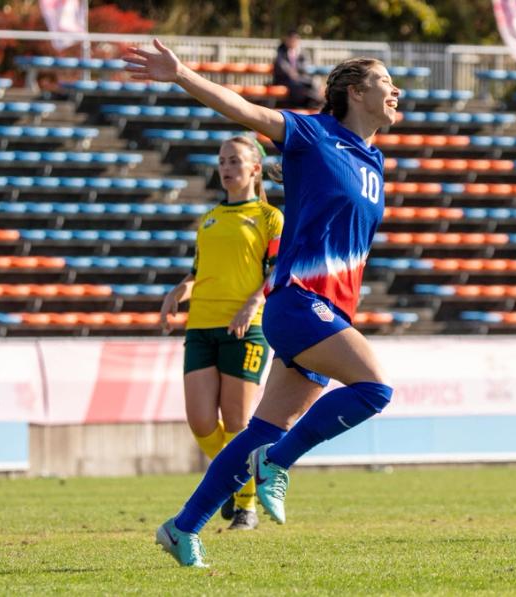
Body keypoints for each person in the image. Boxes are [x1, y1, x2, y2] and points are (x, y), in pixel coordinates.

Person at [126, 39, 400, 568]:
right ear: (355, 91)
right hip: (298, 304)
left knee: (260, 428)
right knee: (374, 388)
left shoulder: (374, 159)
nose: (397, 90)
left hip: (331, 310)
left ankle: (183, 528)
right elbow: (246, 112)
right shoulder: (312, 133)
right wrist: (181, 74)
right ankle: (278, 463)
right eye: (386, 81)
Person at [159, 135, 284, 532]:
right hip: (201, 326)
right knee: (200, 422)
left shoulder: (269, 218)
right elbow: (200, 272)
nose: (226, 167)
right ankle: (233, 482)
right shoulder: (209, 219)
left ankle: (245, 506)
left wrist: (253, 303)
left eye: (234, 160)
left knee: (237, 422)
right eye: (222, 161)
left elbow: (278, 270)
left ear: (254, 169)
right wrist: (181, 288)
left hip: (246, 328)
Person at [272, 30, 324, 109]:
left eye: (295, 39)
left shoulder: (301, 52)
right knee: (298, 86)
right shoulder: (281, 50)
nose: (294, 42)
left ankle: (314, 100)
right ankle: (314, 101)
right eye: (292, 39)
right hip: (285, 79)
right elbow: (282, 65)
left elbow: (305, 66)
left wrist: (297, 72)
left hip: (299, 78)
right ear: (287, 40)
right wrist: (291, 72)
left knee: (312, 83)